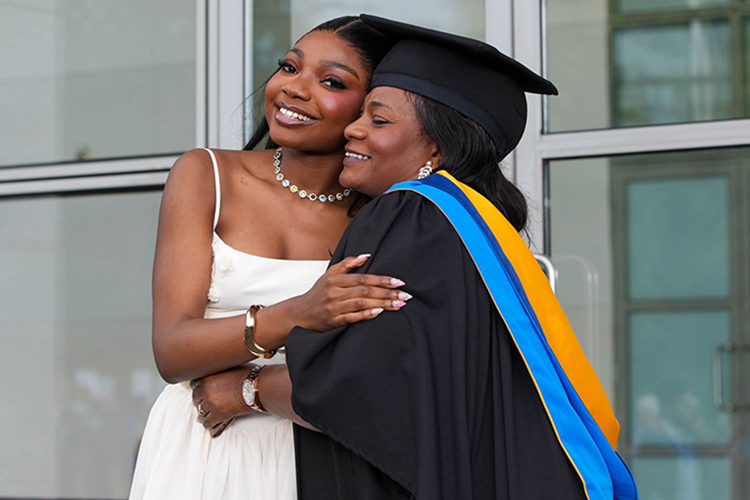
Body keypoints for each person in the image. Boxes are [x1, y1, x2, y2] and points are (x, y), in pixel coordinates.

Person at [281, 15, 640, 500]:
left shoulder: (408, 213)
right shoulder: (479, 229)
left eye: (378, 120)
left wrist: (245, 389)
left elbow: (365, 386)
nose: (353, 129)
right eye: (361, 114)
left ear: (436, 148)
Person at [129, 17, 405, 500]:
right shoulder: (206, 174)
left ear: (372, 109)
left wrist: (249, 388)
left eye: (332, 82)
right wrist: (300, 312)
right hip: (205, 444)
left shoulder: (385, 216)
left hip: (326, 453)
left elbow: (382, 379)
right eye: (289, 67)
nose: (293, 88)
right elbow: (172, 352)